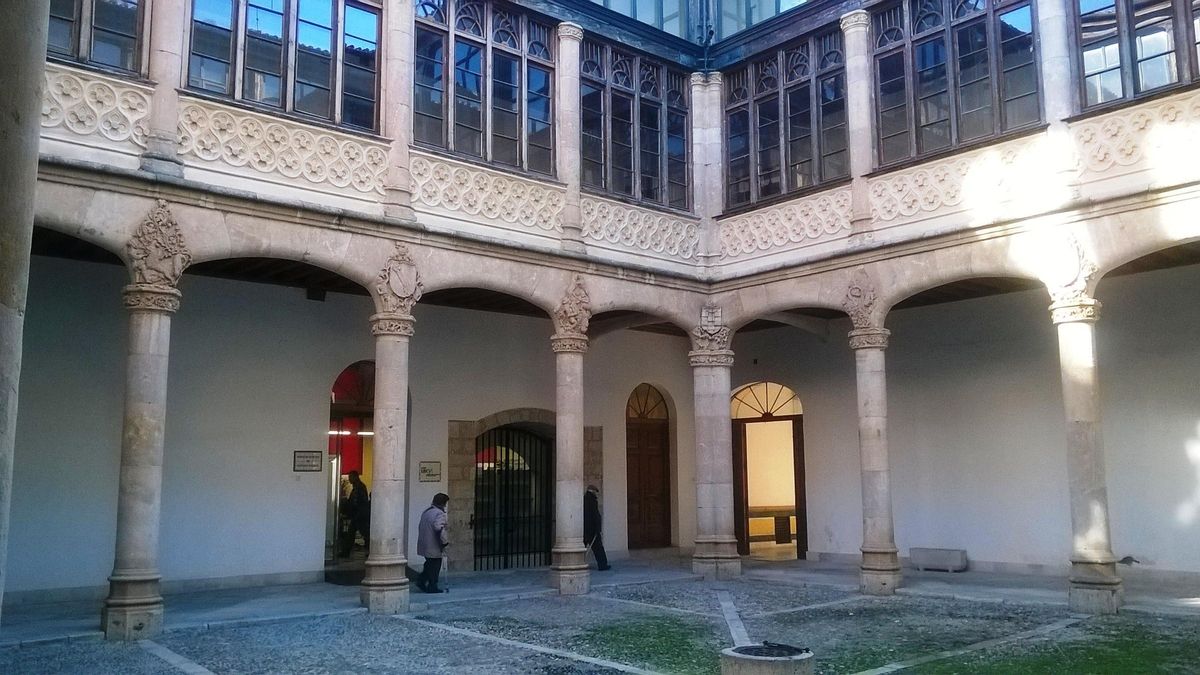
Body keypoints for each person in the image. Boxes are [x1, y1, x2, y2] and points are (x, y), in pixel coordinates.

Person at [417, 492, 450, 592]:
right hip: (434, 544)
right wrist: (444, 542)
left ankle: (421, 581)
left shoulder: (427, 511)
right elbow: (439, 528)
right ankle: (432, 585)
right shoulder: (439, 514)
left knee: (429, 564)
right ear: (443, 503)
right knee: (435, 566)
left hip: (424, 542)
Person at [341, 471, 370, 557]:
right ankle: (346, 552)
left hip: (359, 515)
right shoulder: (358, 486)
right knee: (355, 533)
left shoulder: (358, 487)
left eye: (350, 477)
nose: (349, 479)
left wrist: (349, 510)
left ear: (355, 477)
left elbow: (356, 502)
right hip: (359, 514)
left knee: (364, 533)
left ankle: (346, 552)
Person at [584, 485, 610, 570]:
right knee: (598, 548)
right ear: (592, 491)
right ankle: (603, 565)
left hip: (584, 528)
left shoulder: (584, 499)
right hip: (592, 529)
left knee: (582, 547)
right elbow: (595, 515)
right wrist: (598, 528)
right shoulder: (592, 500)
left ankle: (578, 563)